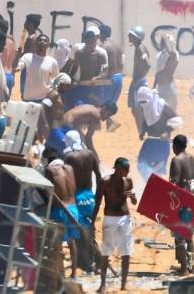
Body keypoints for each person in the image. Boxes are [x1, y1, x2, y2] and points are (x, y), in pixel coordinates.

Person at [93, 157, 136, 292]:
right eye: (125, 168)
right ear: (117, 168)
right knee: (106, 253)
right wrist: (92, 221)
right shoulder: (105, 182)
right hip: (110, 219)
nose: (128, 171)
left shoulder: (128, 181)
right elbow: (97, 202)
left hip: (124, 218)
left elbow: (134, 202)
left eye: (128, 168)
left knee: (126, 252)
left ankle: (123, 284)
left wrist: (133, 197)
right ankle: (103, 284)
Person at [63, 130, 102, 273]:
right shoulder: (89, 154)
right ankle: (93, 263)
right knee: (91, 230)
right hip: (89, 196)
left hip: (76, 197)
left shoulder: (69, 157)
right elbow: (99, 176)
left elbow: (66, 179)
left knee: (79, 233)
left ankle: (88, 264)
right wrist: (98, 196)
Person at [43, 147, 80, 279]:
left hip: (59, 210)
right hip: (73, 208)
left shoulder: (49, 170)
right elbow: (74, 187)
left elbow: (47, 191)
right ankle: (74, 273)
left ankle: (61, 275)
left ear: (48, 160)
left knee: (57, 243)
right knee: (71, 241)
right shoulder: (69, 169)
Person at [169, 134, 194, 274]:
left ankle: (183, 268)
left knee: (179, 236)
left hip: (180, 201)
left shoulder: (176, 160)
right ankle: (191, 266)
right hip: (191, 200)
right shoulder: (192, 158)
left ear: (175, 146)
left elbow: (173, 183)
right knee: (188, 235)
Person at [62, 29, 109, 109]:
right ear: (85, 41)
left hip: (95, 88)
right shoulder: (79, 53)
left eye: (93, 42)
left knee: (94, 110)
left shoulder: (100, 54)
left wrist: (97, 78)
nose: (91, 45)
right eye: (88, 43)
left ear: (95, 41)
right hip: (82, 86)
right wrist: (70, 78)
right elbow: (74, 68)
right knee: (79, 108)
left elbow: (105, 72)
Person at [17, 33, 60, 102]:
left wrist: (51, 89)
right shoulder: (27, 57)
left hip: (43, 100)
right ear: (36, 43)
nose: (42, 42)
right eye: (40, 40)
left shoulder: (52, 61)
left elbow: (57, 79)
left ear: (48, 45)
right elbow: (18, 67)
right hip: (27, 99)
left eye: (45, 41)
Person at [127, 26, 151, 137]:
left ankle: (141, 133)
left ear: (137, 38)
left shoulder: (140, 49)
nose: (129, 37)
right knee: (139, 110)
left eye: (131, 35)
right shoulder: (141, 47)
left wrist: (138, 79)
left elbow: (148, 65)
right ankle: (143, 131)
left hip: (138, 83)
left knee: (136, 110)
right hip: (139, 82)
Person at [153, 33, 179, 111]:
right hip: (160, 88)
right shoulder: (160, 56)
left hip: (169, 88)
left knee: (170, 115)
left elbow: (172, 54)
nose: (162, 44)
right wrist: (154, 87)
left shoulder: (173, 55)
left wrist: (166, 39)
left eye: (163, 42)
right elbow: (157, 73)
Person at [99, 24, 125, 105]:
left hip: (109, 80)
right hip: (119, 79)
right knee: (109, 108)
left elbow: (101, 66)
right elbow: (122, 63)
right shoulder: (117, 46)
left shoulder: (103, 47)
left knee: (102, 107)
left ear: (101, 34)